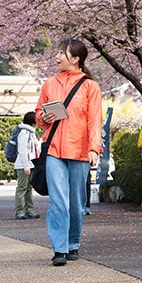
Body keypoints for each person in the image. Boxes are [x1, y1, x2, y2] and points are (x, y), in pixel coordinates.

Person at [35, 39, 103, 266]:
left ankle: (73, 242)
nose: (56, 57)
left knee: (77, 201)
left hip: (80, 150)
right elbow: (38, 114)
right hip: (53, 149)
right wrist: (42, 118)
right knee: (58, 202)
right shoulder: (49, 84)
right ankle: (59, 249)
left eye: (61, 53)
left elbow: (95, 121)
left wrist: (94, 148)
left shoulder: (90, 87)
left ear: (76, 59)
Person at [14, 111, 41, 220]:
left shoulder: (31, 132)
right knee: (22, 188)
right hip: (23, 165)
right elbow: (22, 150)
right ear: (33, 121)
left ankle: (29, 210)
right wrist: (26, 166)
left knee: (29, 188)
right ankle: (19, 211)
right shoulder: (24, 133)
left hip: (31, 164)